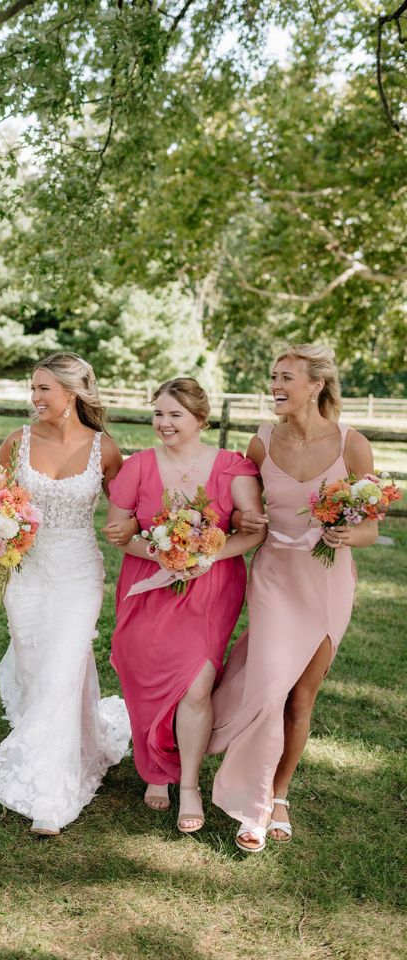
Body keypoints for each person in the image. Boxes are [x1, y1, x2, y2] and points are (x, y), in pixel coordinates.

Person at [208, 343, 377, 852]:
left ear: (316, 385)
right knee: (267, 690)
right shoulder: (260, 443)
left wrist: (351, 536)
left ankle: (279, 794)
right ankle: (252, 805)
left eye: (285, 378)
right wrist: (242, 520)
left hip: (327, 583)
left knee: (301, 699)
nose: (275, 387)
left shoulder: (353, 444)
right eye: (273, 377)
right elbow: (244, 512)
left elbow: (368, 525)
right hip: (275, 577)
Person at [0, 352, 131, 836]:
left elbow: (126, 508)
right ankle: (73, 739)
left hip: (79, 571)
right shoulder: (16, 442)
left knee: (64, 665)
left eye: (45, 389)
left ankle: (52, 793)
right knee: (36, 665)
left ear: (74, 392)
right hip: (28, 570)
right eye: (34, 388)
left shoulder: (104, 449)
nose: (35, 397)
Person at [105, 377, 265, 832]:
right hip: (148, 585)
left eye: (175, 414)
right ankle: (155, 767)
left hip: (210, 588)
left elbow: (253, 532)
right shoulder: (137, 466)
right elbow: (120, 532)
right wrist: (164, 554)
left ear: (199, 418)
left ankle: (189, 783)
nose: (164, 423)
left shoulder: (232, 467)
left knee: (196, 686)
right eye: (158, 413)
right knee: (143, 676)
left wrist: (201, 556)